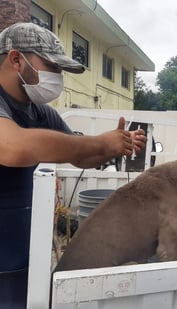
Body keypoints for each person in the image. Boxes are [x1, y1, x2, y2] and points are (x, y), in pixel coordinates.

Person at [0, 22, 147, 308]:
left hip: (24, 257)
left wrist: (116, 145)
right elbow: (11, 147)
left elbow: (81, 157)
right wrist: (100, 144)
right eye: (52, 67)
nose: (58, 77)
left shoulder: (40, 112)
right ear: (16, 59)